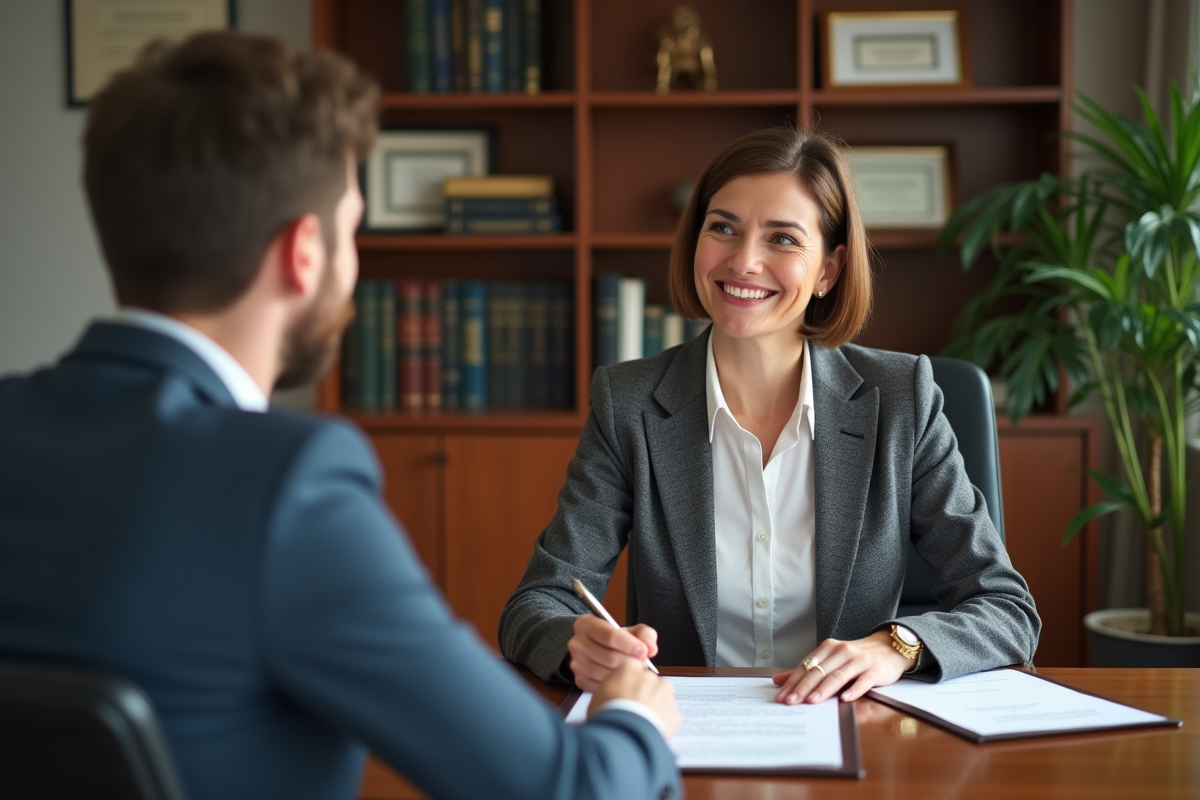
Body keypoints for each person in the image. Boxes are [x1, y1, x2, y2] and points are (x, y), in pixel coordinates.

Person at [0, 32, 681, 800]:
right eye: (352, 232)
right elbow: (571, 789)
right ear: (304, 251)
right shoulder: (284, 486)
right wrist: (634, 718)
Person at [500, 126, 1040, 706]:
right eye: (723, 228)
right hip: (687, 732)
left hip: (855, 732)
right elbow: (536, 605)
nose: (744, 261)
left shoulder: (901, 397)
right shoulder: (627, 401)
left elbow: (1005, 609)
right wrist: (575, 641)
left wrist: (898, 645)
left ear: (828, 271)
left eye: (782, 239)